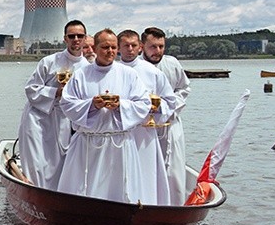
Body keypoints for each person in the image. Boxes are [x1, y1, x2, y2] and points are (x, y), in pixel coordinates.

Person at [58, 29, 151, 203]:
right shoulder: (81, 74)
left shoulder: (129, 74)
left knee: (121, 193)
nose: (110, 51)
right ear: (95, 47)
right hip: (87, 143)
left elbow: (144, 104)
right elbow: (66, 103)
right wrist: (91, 105)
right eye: (105, 47)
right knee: (84, 193)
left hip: (119, 143)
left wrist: (120, 106)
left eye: (113, 47)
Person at [16, 19, 90, 189]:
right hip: (38, 119)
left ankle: (56, 196)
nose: (76, 39)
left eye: (80, 36)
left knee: (58, 163)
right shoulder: (49, 62)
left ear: (85, 38)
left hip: (64, 120)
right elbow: (31, 89)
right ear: (65, 38)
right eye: (72, 36)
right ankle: (33, 193)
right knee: (36, 162)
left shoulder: (87, 68)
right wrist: (55, 92)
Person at [117, 29, 177, 204]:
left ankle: (149, 204)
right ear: (118, 48)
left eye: (133, 45)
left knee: (147, 171)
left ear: (140, 47)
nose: (130, 49)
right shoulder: (112, 70)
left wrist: (157, 108)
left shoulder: (152, 72)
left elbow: (170, 100)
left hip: (144, 132)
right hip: (118, 132)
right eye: (125, 46)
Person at [141, 26, 191, 205]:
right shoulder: (134, 67)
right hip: (144, 127)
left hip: (171, 125)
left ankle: (174, 207)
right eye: (153, 47)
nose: (158, 51)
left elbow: (184, 88)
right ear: (142, 46)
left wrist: (168, 107)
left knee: (174, 170)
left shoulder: (172, 63)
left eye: (161, 46)